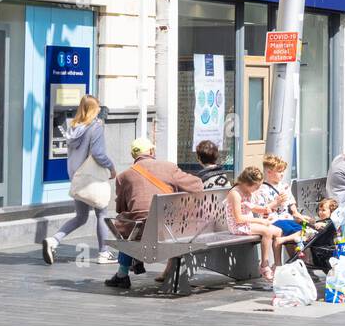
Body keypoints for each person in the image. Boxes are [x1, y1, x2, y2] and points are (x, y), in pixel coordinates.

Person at [102, 137, 203, 289]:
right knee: (136, 225)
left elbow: (121, 208)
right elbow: (197, 186)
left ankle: (122, 274)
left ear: (133, 155)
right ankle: (129, 268)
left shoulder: (123, 176)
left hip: (140, 230)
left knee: (126, 227)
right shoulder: (169, 167)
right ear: (151, 151)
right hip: (172, 229)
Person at [42, 95, 118, 265]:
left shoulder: (73, 128)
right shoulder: (95, 128)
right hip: (92, 179)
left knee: (81, 217)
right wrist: (111, 166)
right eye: (97, 107)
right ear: (93, 109)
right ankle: (103, 253)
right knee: (102, 214)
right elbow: (98, 154)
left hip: (77, 178)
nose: (99, 109)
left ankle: (54, 240)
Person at [224, 167, 284, 282]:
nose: (258, 189)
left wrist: (268, 209)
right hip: (238, 225)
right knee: (267, 231)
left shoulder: (248, 191)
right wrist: (260, 221)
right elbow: (238, 218)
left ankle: (277, 264)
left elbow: (253, 208)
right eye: (256, 186)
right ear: (247, 183)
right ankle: (264, 265)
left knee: (278, 231)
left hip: (248, 222)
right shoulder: (235, 193)